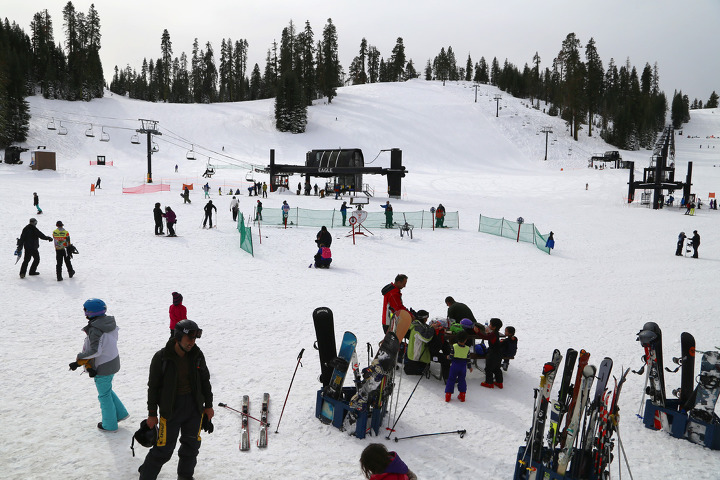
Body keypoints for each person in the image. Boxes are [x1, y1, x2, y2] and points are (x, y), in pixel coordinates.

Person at [138, 320, 214, 480]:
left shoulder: (197, 355)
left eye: (195, 339)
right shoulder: (161, 358)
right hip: (171, 410)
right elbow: (153, 387)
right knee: (163, 450)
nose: (192, 343)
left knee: (191, 447)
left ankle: (185, 477)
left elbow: (205, 380)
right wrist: (152, 414)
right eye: (189, 338)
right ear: (178, 337)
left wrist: (208, 406)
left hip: (194, 409)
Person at [70, 298, 128, 431]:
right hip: (113, 360)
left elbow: (95, 351)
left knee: (104, 396)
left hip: (103, 365)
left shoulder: (96, 329)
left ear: (90, 312)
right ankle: (120, 413)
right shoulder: (108, 322)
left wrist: (79, 358)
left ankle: (109, 425)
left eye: (85, 309)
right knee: (107, 390)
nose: (84, 312)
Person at [403, 309, 435, 375]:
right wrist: (432, 329)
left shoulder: (418, 324)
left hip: (415, 353)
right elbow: (426, 338)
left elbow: (425, 328)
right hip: (415, 356)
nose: (427, 319)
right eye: (426, 318)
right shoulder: (417, 328)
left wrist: (431, 326)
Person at [476, 317, 504, 389]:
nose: (489, 325)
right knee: (497, 368)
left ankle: (489, 383)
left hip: (493, 353)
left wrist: (478, 332)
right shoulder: (495, 333)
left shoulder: (493, 334)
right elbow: (489, 336)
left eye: (490, 325)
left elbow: (486, 337)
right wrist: (488, 332)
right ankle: (499, 382)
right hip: (498, 353)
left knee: (488, 368)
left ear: (494, 327)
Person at [445, 330, 472, 402]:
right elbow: (468, 358)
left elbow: (451, 356)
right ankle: (462, 395)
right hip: (463, 366)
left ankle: (448, 395)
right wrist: (469, 367)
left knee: (451, 379)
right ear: (466, 340)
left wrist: (448, 357)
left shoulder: (454, 346)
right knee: (462, 380)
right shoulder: (467, 348)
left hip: (454, 365)